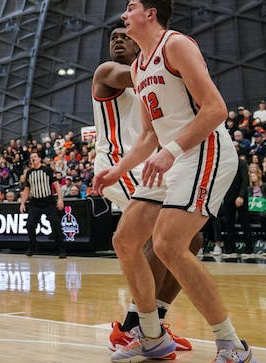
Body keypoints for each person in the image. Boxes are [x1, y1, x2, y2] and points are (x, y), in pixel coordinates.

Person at [92, 0, 255, 363]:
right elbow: (149, 135)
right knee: (125, 239)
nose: (123, 16)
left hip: (204, 149)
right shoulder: (138, 66)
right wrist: (117, 169)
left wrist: (171, 151)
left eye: (129, 9)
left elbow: (216, 109)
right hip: (172, 156)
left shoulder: (176, 45)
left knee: (168, 244)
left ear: (150, 14)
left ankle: (232, 345)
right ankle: (151, 335)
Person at [93, 22, 195, 351]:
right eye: (113, 38)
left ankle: (155, 321)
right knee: (157, 237)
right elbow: (135, 75)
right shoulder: (110, 72)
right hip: (118, 165)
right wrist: (176, 60)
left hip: (148, 166)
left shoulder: (149, 82)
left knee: (190, 240)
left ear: (137, 43)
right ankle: (134, 327)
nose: (118, 41)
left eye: (124, 37)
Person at [19, 151, 66, 258]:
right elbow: (27, 189)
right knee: (30, 225)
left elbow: (56, 185)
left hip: (48, 201)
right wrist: (22, 203)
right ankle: (33, 246)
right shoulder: (29, 173)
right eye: (31, 157)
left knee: (56, 225)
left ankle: (60, 249)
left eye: (35, 157)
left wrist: (60, 199)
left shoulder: (47, 170)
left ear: (39, 159)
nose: (33, 159)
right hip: (35, 202)